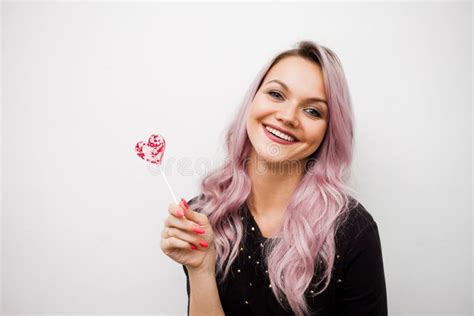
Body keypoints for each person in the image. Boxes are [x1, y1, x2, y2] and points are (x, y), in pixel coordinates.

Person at [160, 40, 388, 316]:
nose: (288, 116)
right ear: (253, 100)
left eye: (313, 110)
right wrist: (200, 270)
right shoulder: (205, 217)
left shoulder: (353, 230)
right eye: (277, 94)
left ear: (329, 132)